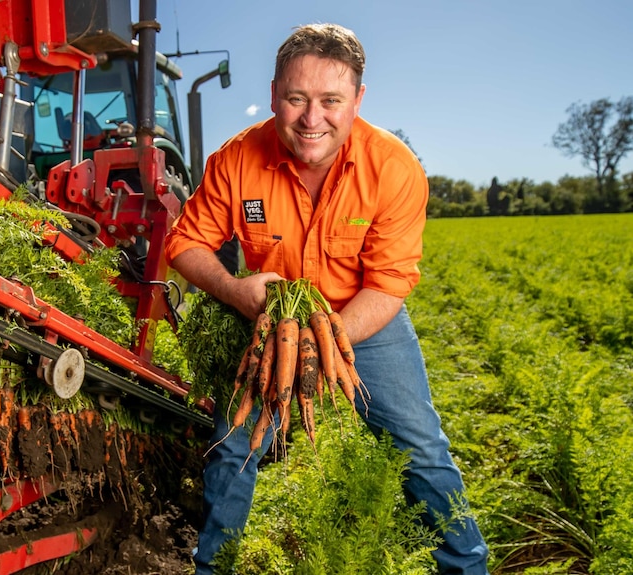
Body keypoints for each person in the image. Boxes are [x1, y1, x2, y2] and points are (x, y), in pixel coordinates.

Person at [164, 23, 490, 575]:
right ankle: (213, 568)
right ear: (273, 95)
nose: (312, 119)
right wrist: (232, 288)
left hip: (365, 318)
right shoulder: (236, 160)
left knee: (420, 448)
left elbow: (388, 283)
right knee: (231, 449)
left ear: (357, 100)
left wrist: (323, 339)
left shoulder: (394, 169)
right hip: (264, 321)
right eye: (296, 99)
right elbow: (184, 242)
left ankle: (466, 567)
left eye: (331, 101)